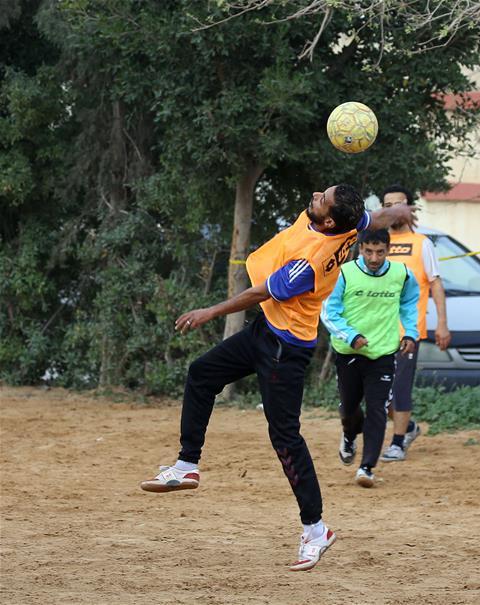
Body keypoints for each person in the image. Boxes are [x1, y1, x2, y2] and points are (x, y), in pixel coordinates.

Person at [139, 185, 415, 572]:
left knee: (284, 436)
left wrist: (209, 312)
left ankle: (316, 530)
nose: (316, 194)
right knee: (202, 374)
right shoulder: (349, 224)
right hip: (267, 330)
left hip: (285, 350)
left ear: (330, 220)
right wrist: (401, 210)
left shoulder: (311, 260)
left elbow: (258, 292)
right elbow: (378, 217)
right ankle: (187, 464)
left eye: (323, 198)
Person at [321, 228, 419, 486]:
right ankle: (349, 435)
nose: (374, 258)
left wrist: (410, 333)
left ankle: (366, 468)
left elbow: (409, 305)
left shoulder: (402, 274)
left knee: (377, 409)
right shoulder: (344, 273)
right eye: (368, 251)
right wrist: (351, 336)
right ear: (360, 249)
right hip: (349, 351)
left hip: (384, 353)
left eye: (380, 252)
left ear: (388, 250)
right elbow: (329, 312)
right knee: (349, 408)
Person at [378, 184, 451, 462]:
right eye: (388, 205)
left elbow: (436, 283)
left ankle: (397, 442)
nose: (394, 209)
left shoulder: (422, 244)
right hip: (376, 331)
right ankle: (407, 427)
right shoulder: (376, 243)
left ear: (410, 208)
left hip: (408, 330)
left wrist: (442, 323)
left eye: (399, 204)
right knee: (379, 392)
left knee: (399, 388)